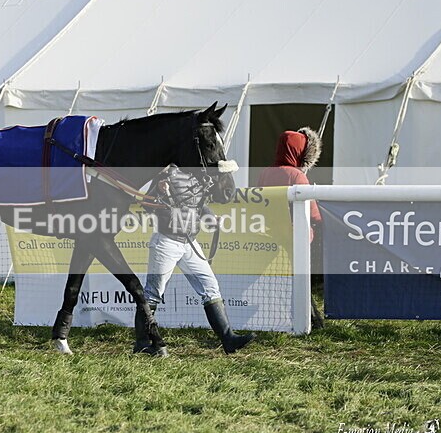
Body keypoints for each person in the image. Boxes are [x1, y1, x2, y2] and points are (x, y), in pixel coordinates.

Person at [137, 164, 254, 355]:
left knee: (210, 287)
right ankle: (141, 343)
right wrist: (159, 191)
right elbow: (146, 203)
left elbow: (198, 205)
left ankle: (228, 339)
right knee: (153, 293)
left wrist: (211, 219)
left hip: (190, 243)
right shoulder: (166, 172)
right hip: (166, 241)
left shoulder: (200, 176)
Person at [257, 127, 324, 328]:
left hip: (270, 233)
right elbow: (313, 212)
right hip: (296, 235)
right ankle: (310, 318)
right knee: (301, 279)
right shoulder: (297, 175)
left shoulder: (265, 173)